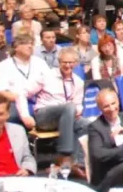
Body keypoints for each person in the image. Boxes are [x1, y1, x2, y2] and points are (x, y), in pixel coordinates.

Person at [33, 47, 87, 176]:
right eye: (64, 62)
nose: (67, 65)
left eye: (70, 62)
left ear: (76, 63)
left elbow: (78, 104)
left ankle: (76, 163)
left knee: (86, 124)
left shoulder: (78, 82)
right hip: (45, 116)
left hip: (65, 119)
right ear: (59, 62)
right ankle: (65, 156)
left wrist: (78, 110)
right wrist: (25, 115)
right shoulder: (47, 75)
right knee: (68, 107)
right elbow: (24, 92)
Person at [0, 33, 48, 130]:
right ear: (16, 47)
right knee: (12, 114)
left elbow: (49, 82)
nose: (30, 46)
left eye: (31, 44)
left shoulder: (40, 62)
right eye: (26, 43)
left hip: (40, 101)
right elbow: (1, 91)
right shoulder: (3, 66)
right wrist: (20, 99)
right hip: (13, 102)